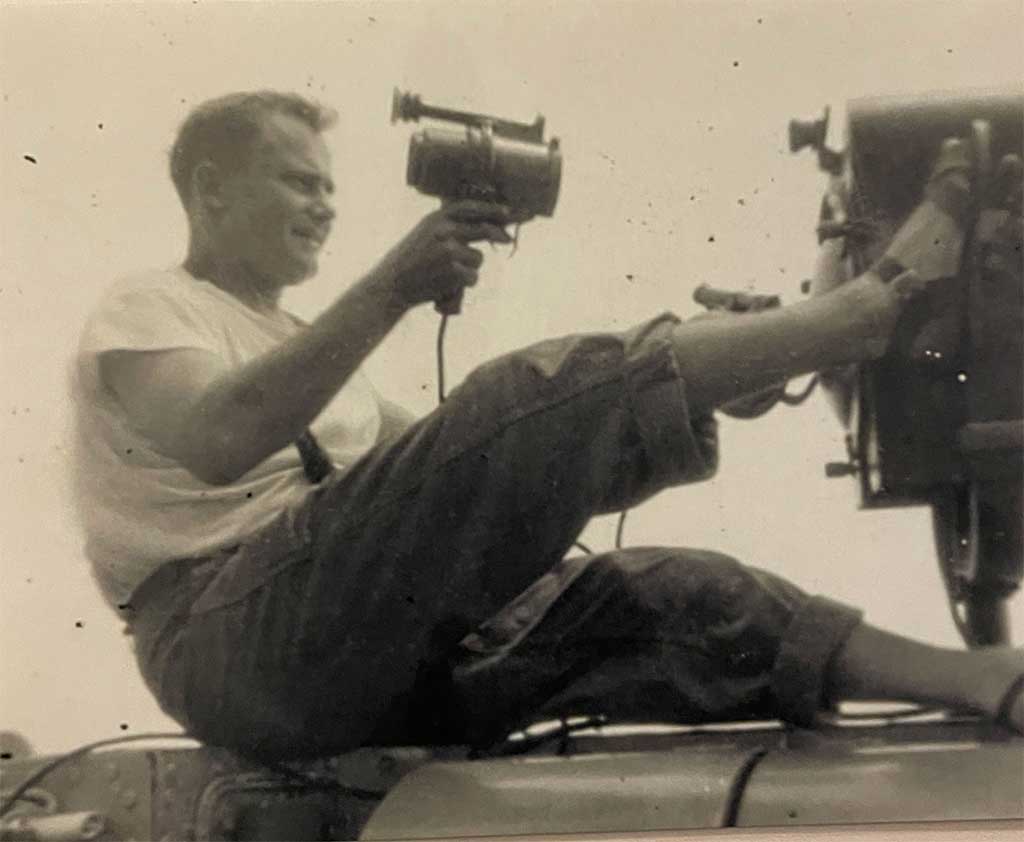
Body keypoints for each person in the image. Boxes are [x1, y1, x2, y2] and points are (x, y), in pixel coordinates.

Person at [71, 91, 1023, 761]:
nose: (324, 206)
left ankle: (981, 679)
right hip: (231, 641)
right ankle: (858, 315)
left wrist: (716, 373)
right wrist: (395, 288)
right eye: (297, 182)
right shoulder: (148, 305)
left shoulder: (302, 348)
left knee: (662, 591)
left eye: (327, 186)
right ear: (211, 189)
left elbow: (476, 462)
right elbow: (216, 436)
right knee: (516, 395)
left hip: (349, 661)